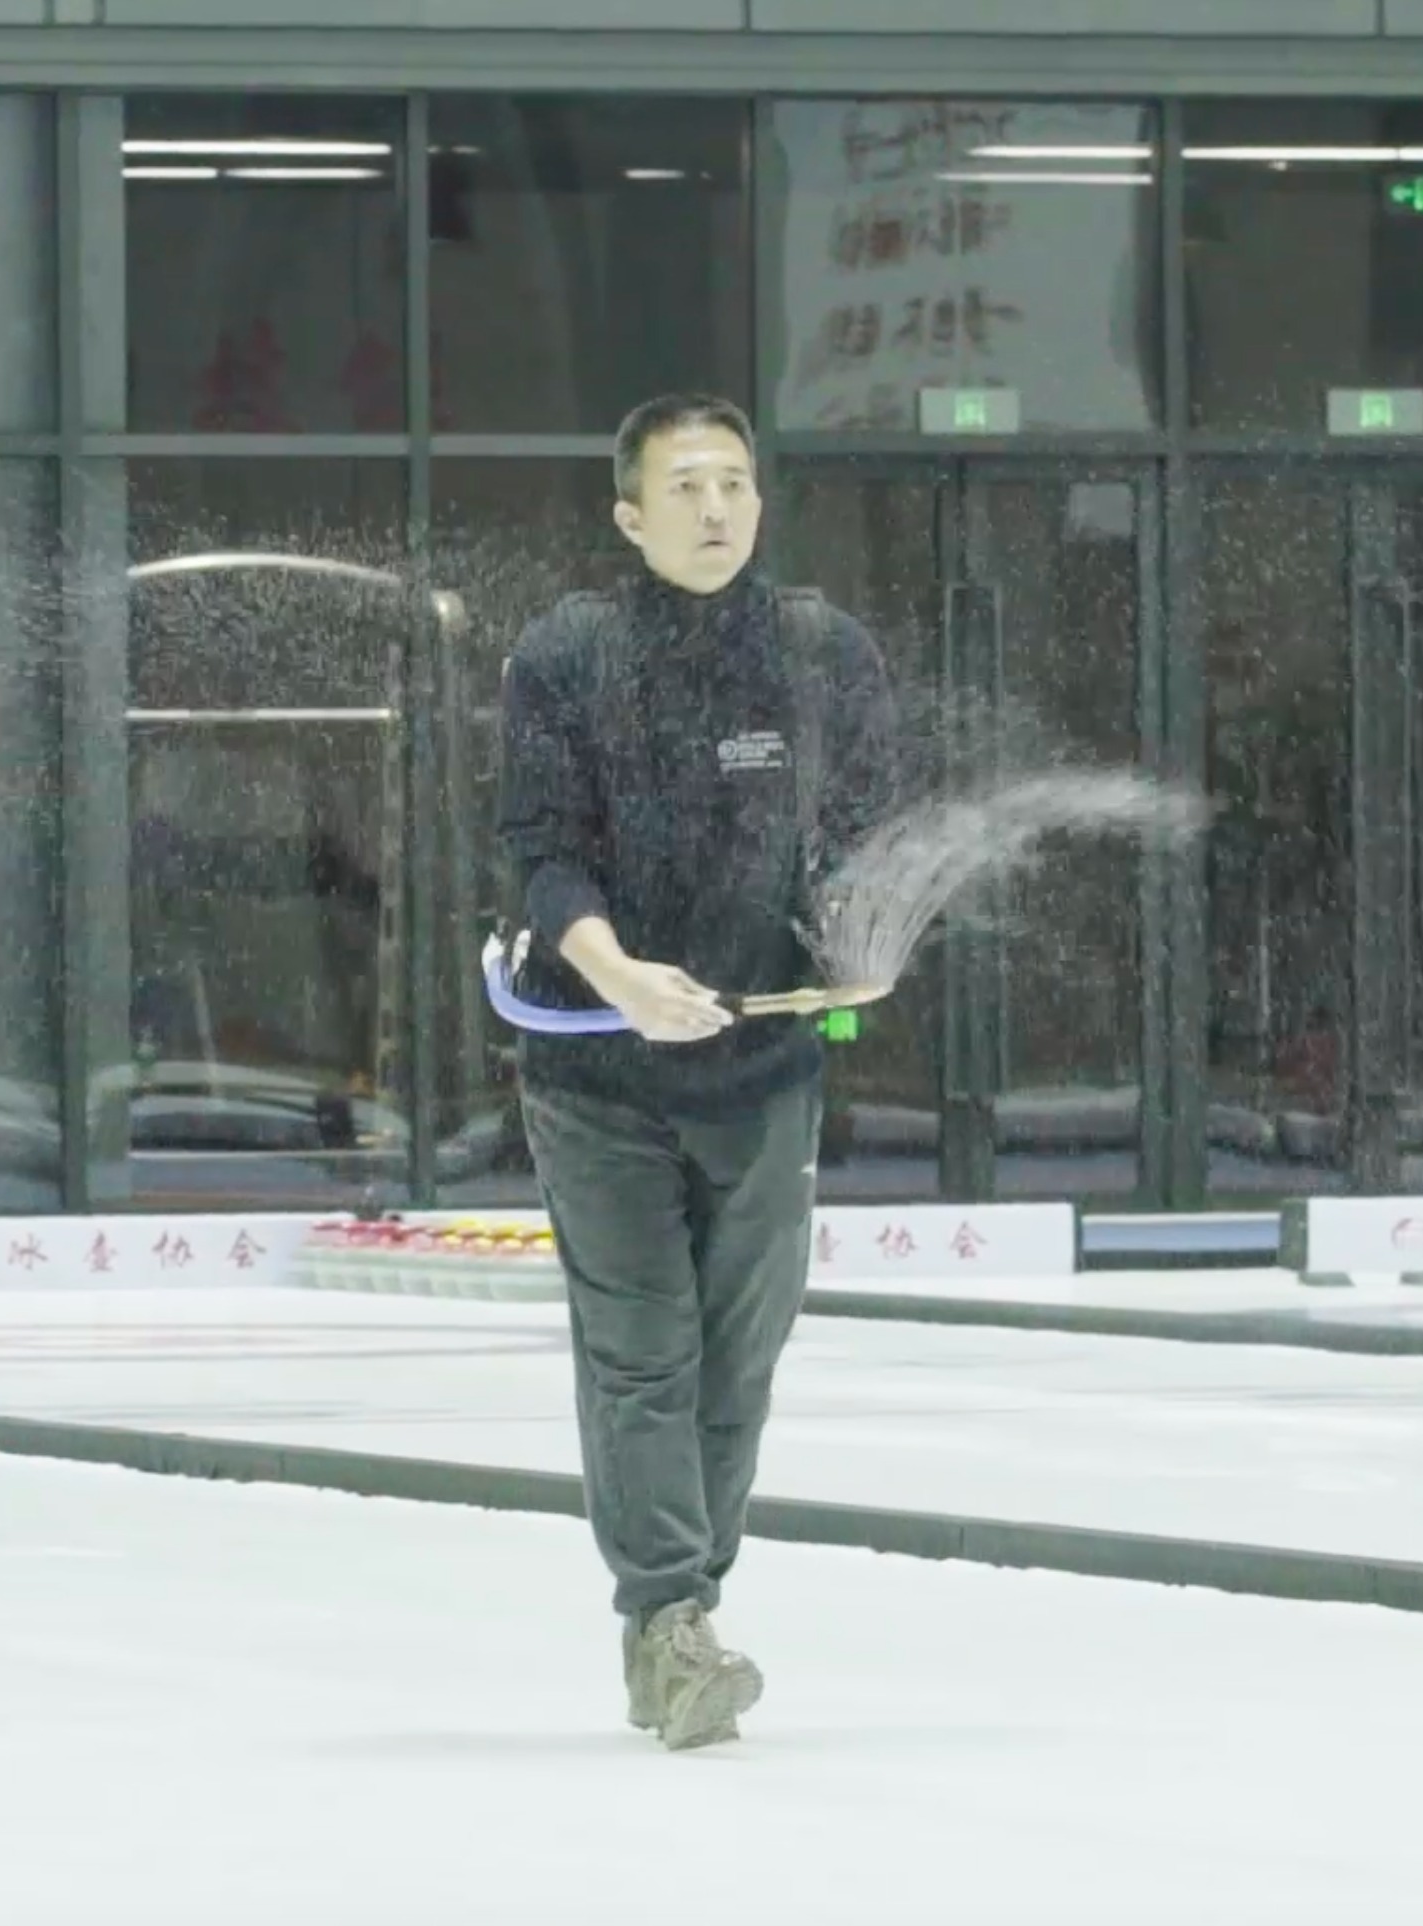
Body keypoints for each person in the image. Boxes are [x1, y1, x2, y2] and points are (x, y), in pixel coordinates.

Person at [496, 394, 898, 1751]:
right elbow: (544, 855)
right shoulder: (566, 657)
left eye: (733, 482)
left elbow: (859, 835)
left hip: (764, 1065)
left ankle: (682, 1610)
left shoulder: (820, 654)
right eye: (684, 487)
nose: (715, 508)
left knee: (739, 1357)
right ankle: (669, 1619)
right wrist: (619, 977)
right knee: (639, 1356)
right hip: (597, 1069)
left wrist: (863, 936)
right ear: (629, 516)